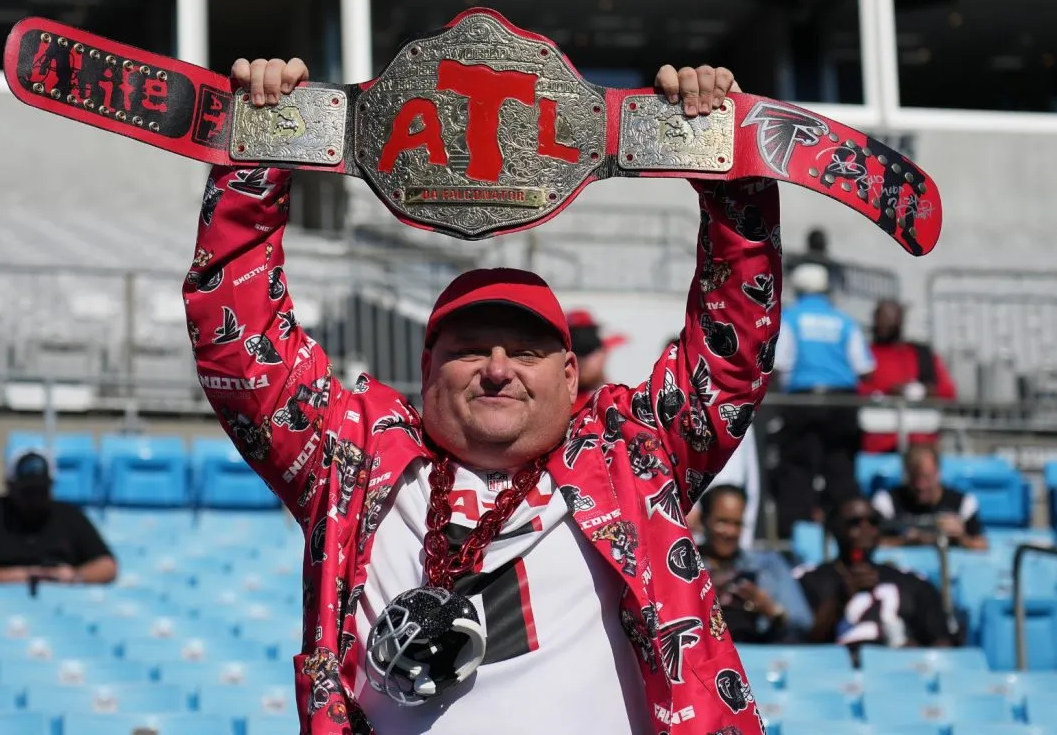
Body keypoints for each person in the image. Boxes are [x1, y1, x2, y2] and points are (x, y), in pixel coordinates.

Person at [188, 56, 779, 735]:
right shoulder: (347, 457)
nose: (498, 369)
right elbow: (241, 346)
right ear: (426, 366)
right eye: (471, 349)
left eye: (525, 351)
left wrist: (729, 177)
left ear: (569, 376)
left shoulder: (633, 456)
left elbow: (730, 357)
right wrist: (258, 154)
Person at [772, 262, 875, 537]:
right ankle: (849, 535)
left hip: (803, 403)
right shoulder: (844, 321)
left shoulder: (790, 318)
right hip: (842, 404)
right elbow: (865, 369)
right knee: (841, 472)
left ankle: (793, 539)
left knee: (797, 473)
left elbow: (779, 364)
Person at [795, 496, 954, 658]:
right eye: (855, 523)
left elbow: (941, 644)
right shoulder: (809, 580)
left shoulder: (912, 582)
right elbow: (800, 646)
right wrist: (840, 600)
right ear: (834, 528)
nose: (866, 529)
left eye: (873, 523)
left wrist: (915, 653)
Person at [0, 449, 117, 585]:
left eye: (41, 491)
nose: (34, 499)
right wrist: (18, 577)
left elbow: (106, 565)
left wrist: (74, 577)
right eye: (27, 492)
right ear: (10, 486)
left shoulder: (69, 516)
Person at [696, 485, 812, 643]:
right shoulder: (683, 567)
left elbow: (803, 623)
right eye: (722, 522)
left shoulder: (767, 565)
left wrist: (771, 610)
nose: (730, 532)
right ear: (704, 520)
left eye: (737, 524)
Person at [858, 299, 957, 453]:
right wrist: (888, 391)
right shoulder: (864, 354)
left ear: (900, 320)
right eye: (880, 318)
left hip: (919, 442)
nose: (883, 323)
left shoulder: (921, 354)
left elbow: (948, 392)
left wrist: (925, 391)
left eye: (889, 318)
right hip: (877, 441)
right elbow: (854, 389)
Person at [872, 443, 988, 551]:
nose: (921, 486)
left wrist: (961, 537)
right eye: (915, 478)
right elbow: (872, 543)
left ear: (938, 473)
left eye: (926, 478)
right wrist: (905, 541)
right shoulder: (887, 503)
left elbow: (982, 546)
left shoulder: (963, 504)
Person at [567, 309, 627, 411]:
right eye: (574, 350)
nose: (579, 360)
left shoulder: (621, 400)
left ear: (603, 353)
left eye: (587, 349)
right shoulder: (557, 406)